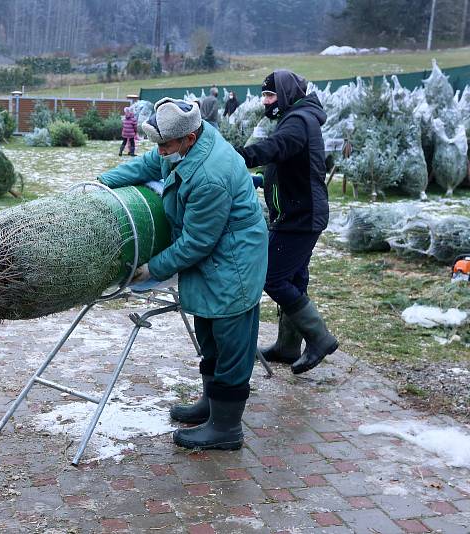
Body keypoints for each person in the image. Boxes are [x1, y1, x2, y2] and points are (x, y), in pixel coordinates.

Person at [98, 98, 268, 450]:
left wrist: (151, 269)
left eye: (166, 145)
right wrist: (100, 186)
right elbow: (147, 164)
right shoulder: (184, 146)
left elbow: (196, 242)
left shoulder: (209, 175)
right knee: (208, 329)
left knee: (231, 337)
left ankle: (226, 428)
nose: (160, 151)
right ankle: (211, 404)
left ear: (189, 140)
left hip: (234, 260)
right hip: (214, 255)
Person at [234, 69, 338, 375]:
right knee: (292, 280)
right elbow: (287, 166)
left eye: (270, 95)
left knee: (272, 277)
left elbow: (275, 148)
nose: (265, 101)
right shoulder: (298, 118)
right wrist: (258, 179)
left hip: (300, 217)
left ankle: (319, 338)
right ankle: (287, 346)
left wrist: (236, 157)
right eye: (264, 95)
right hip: (295, 213)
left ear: (286, 94)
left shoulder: (298, 121)